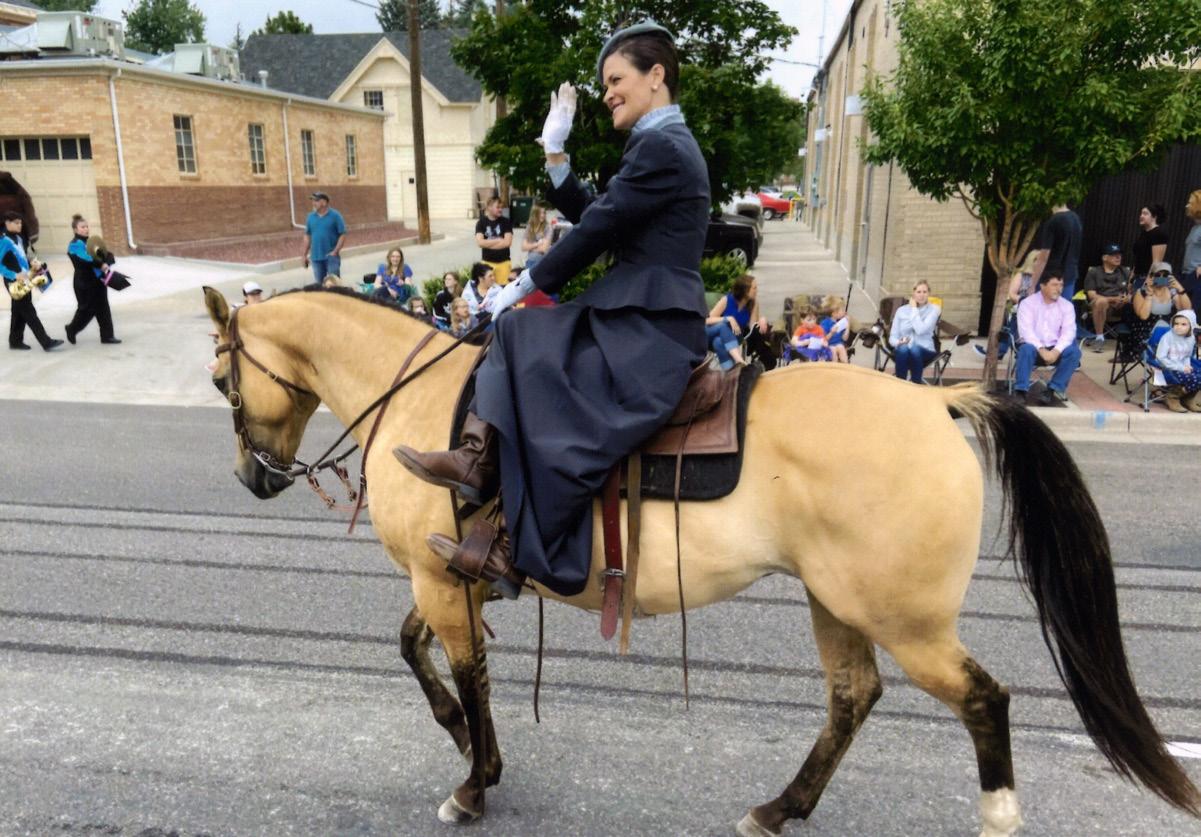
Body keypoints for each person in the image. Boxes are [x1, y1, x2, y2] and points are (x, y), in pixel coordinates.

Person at [394, 21, 710, 599]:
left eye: (616, 79)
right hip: (642, 309)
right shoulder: (660, 144)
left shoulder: (663, 146)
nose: (607, 93)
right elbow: (606, 213)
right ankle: (488, 490)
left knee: (518, 334)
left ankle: (486, 484)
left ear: (656, 76)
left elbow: (599, 226)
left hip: (651, 321)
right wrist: (555, 155)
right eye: (605, 84)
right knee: (529, 345)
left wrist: (526, 281)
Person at [1014, 270, 1081, 407]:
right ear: (1042, 286)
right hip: (1033, 346)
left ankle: (1051, 390)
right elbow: (1026, 331)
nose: (1059, 289)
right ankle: (1020, 391)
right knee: (1026, 349)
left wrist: (1056, 351)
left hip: (1055, 348)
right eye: (1054, 285)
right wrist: (1041, 349)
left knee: (1074, 353)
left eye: (1061, 285)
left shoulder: (1067, 306)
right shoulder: (1028, 303)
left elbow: (1069, 332)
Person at [3, 211, 63, 351]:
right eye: (16, 223)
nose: (19, 225)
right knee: (28, 310)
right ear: (7, 223)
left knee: (18, 310)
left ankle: (15, 341)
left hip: (25, 277)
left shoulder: (19, 239)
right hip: (13, 281)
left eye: (20, 223)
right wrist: (14, 274)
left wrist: (32, 264)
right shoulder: (3, 241)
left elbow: (21, 257)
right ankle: (46, 342)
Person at [64, 214, 119, 345]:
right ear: (75, 229)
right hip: (84, 283)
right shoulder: (74, 245)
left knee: (103, 308)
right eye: (82, 227)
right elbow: (86, 260)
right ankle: (72, 328)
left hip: (98, 280)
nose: (86, 229)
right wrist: (101, 264)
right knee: (86, 310)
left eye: (87, 226)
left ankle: (107, 336)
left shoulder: (92, 242)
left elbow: (107, 254)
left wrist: (107, 262)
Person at [705, 274, 766, 370]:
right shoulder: (727, 300)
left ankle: (731, 371)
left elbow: (752, 327)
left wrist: (761, 320)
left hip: (735, 336)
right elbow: (707, 320)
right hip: (713, 332)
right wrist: (728, 319)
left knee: (718, 342)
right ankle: (739, 362)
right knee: (723, 327)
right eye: (754, 288)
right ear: (745, 290)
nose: (756, 290)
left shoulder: (753, 304)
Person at [1081, 243, 1131, 352]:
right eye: (1114, 255)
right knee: (1101, 302)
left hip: (1122, 306)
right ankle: (1099, 338)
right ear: (1104, 258)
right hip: (1101, 307)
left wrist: (1127, 297)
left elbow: (1131, 290)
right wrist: (1112, 299)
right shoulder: (1094, 272)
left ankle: (1135, 340)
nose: (1118, 257)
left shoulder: (1125, 272)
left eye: (1119, 254)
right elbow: (1091, 295)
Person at [888, 280, 940, 383]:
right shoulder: (901, 310)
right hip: (904, 351)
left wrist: (914, 309)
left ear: (929, 293)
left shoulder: (934, 309)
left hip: (925, 350)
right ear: (913, 293)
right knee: (903, 349)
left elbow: (920, 330)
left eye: (925, 292)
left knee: (915, 349)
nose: (922, 295)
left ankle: (916, 385)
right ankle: (900, 385)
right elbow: (893, 336)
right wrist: (898, 342)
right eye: (918, 292)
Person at [1131, 261, 1191, 348]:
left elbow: (1187, 309)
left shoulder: (1172, 292)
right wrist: (1149, 295)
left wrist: (1180, 289)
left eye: (1165, 275)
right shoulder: (1142, 292)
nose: (1162, 278)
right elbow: (1143, 316)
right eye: (1158, 275)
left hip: (1168, 332)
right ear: (1151, 276)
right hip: (1146, 332)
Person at [1029, 204, 1083, 299]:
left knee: (1041, 307)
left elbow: (1044, 256)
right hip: (1070, 275)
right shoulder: (1076, 219)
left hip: (1049, 278)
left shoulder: (1053, 221)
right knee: (1064, 307)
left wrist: (1032, 285)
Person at [1155, 309, 1201, 413]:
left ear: (1191, 326)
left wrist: (1187, 366)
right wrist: (1181, 367)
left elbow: (1187, 356)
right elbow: (1160, 357)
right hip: (1167, 368)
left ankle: (1188, 399)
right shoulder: (1167, 337)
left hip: (1182, 366)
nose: (1178, 327)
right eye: (1176, 323)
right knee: (1193, 378)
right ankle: (1172, 397)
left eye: (1183, 324)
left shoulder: (1191, 338)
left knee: (1198, 374)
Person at [302, 192, 346, 286]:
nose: (313, 203)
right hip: (316, 258)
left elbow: (342, 234)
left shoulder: (335, 216)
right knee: (320, 285)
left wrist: (335, 251)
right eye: (313, 201)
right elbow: (307, 236)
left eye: (316, 201)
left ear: (324, 202)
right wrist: (304, 255)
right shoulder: (310, 217)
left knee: (334, 284)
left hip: (331, 257)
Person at [475, 196, 514, 286]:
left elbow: (507, 243)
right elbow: (480, 243)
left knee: (504, 290)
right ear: (489, 207)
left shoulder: (506, 222)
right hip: (487, 264)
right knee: (487, 289)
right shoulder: (481, 223)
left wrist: (487, 243)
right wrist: (498, 240)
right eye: (498, 207)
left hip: (504, 264)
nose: (500, 209)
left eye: (501, 207)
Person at [1131, 203, 1169, 285]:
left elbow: (1156, 262)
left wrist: (1147, 283)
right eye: (1141, 213)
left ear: (1154, 217)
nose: (1141, 216)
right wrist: (1131, 279)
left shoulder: (1159, 233)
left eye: (1145, 214)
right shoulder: (1143, 233)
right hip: (1139, 277)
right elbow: (1138, 259)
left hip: (1151, 279)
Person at [521, 204, 553, 275]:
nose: (543, 215)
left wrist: (530, 247)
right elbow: (523, 247)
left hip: (542, 263)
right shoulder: (529, 227)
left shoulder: (548, 228)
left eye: (544, 213)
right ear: (534, 214)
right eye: (540, 213)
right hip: (529, 262)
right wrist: (538, 244)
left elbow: (544, 249)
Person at [1181, 189, 1201, 301]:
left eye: (1190, 203)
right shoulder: (1195, 228)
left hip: (1197, 277)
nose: (1187, 206)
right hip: (1187, 274)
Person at [821, 295, 850, 363]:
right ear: (834, 313)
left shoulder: (841, 322)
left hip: (839, 343)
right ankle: (834, 366)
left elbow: (844, 338)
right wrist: (831, 333)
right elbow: (823, 339)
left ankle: (845, 365)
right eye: (842, 310)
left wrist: (848, 325)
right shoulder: (825, 323)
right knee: (833, 350)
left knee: (841, 348)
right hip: (829, 345)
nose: (844, 311)